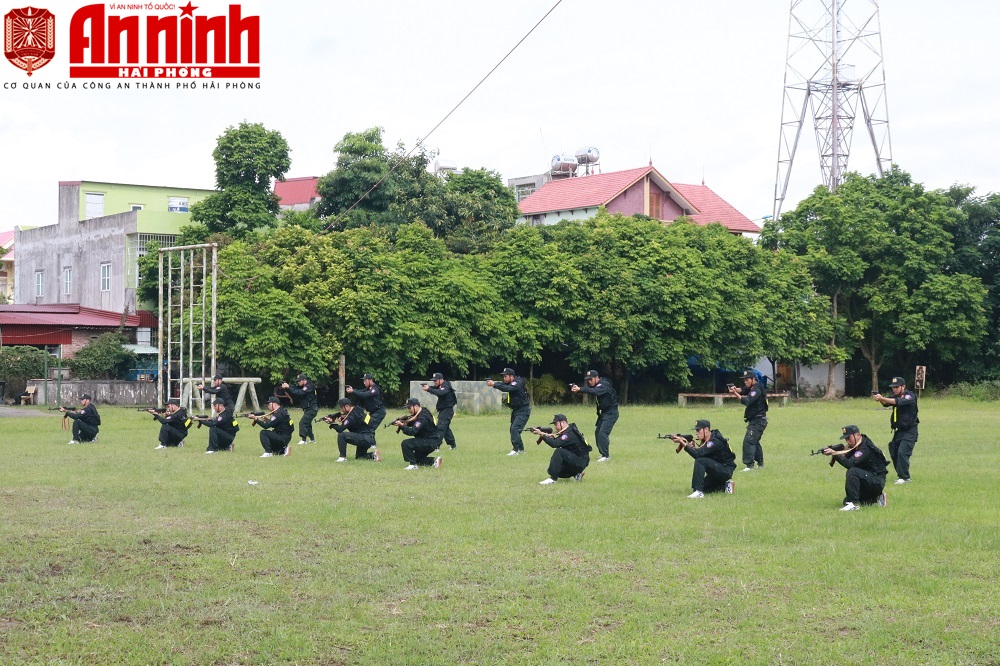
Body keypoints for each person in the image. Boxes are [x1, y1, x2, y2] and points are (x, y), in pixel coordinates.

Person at [822, 425, 888, 511]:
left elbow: (850, 463)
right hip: (868, 480)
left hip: (876, 480)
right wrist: (836, 451)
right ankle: (877, 497)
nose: (847, 441)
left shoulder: (865, 447)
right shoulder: (857, 445)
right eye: (846, 439)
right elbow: (847, 457)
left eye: (849, 438)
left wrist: (835, 454)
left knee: (852, 471)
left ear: (857, 435)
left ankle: (854, 504)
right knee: (846, 501)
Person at [670, 419, 736, 499]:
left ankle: (699, 493)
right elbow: (702, 453)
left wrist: (684, 444)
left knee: (700, 461)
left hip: (725, 470)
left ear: (706, 429)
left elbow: (698, 455)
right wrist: (692, 447)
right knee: (702, 486)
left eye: (698, 430)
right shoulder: (707, 440)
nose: (696, 433)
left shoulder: (714, 441)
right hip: (717, 470)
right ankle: (725, 486)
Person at [873, 376, 919, 484]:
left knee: (902, 452)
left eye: (897, 387)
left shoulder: (910, 396)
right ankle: (901, 475)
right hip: (899, 431)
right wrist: (879, 399)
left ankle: (905, 477)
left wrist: (882, 398)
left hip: (910, 430)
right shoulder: (895, 396)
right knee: (894, 451)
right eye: (893, 387)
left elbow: (898, 402)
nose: (895, 389)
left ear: (903, 386)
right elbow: (886, 404)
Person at [570, 369, 619, 462]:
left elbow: (595, 391)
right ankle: (603, 454)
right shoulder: (598, 385)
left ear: (597, 378)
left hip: (611, 413)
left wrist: (580, 389)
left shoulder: (602, 385)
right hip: (604, 413)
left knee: (602, 433)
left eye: (591, 379)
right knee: (598, 432)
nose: (589, 381)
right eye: (588, 380)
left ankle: (606, 456)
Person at [531, 414, 591, 485]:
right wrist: (544, 434)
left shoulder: (569, 434)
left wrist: (542, 435)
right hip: (580, 459)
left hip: (580, 461)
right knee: (558, 469)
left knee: (559, 452)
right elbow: (557, 441)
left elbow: (555, 444)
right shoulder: (568, 431)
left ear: (563, 422)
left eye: (556, 424)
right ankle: (577, 474)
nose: (555, 427)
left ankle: (553, 479)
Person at [728, 369, 768, 471]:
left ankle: (749, 466)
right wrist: (735, 389)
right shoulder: (752, 387)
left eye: (747, 380)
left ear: (754, 379)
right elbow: (744, 390)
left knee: (748, 441)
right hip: (758, 420)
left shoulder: (756, 389)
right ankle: (760, 464)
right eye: (744, 380)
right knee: (754, 441)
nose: (745, 382)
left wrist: (735, 394)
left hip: (758, 421)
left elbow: (747, 401)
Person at [487, 367, 530, 456]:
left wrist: (494, 384)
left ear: (512, 376)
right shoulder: (512, 382)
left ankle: (516, 450)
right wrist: (495, 383)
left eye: (505, 376)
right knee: (514, 429)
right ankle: (521, 450)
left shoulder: (516, 383)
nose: (504, 378)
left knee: (515, 429)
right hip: (516, 410)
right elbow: (504, 385)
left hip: (523, 410)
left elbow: (507, 388)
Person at [324, 397, 379, 462]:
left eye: (342, 407)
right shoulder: (357, 409)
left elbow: (340, 429)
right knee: (360, 457)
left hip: (364, 438)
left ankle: (342, 457)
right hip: (369, 438)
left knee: (342, 435)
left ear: (347, 406)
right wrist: (341, 418)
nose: (341, 410)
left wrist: (332, 423)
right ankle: (374, 455)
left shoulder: (351, 417)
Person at [393, 397, 442, 470]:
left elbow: (412, 431)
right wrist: (404, 422)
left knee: (406, 443)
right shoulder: (423, 411)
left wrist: (402, 426)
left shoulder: (422, 418)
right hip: (431, 441)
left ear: (416, 406)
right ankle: (434, 460)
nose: (409, 410)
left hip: (428, 442)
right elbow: (413, 421)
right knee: (417, 459)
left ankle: (412, 465)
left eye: (410, 408)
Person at [422, 372, 457, 450]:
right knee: (446, 429)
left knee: (440, 428)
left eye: (436, 380)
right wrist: (428, 388)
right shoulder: (440, 385)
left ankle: (436, 446)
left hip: (447, 411)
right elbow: (434, 388)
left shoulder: (446, 386)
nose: (434, 382)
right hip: (444, 410)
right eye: (434, 381)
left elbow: (440, 392)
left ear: (441, 379)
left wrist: (429, 389)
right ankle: (453, 445)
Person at [282, 374, 318, 446]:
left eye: (299, 381)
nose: (298, 382)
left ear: (304, 380)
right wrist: (287, 386)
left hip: (312, 409)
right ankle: (312, 439)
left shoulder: (308, 386)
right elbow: (295, 388)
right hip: (309, 409)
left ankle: (303, 439)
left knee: (302, 423)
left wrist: (288, 387)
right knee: (307, 424)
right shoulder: (304, 386)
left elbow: (299, 392)